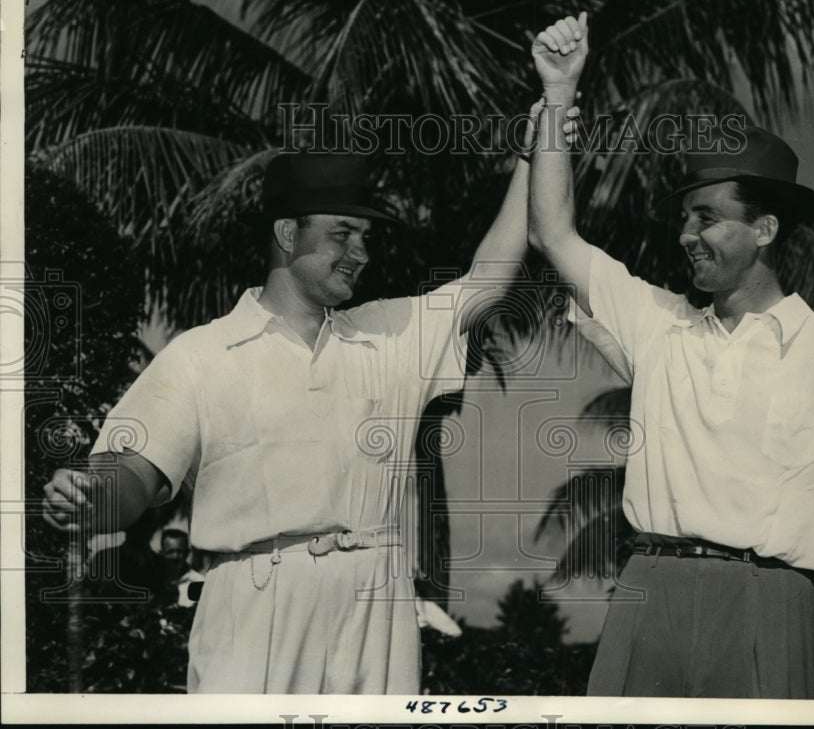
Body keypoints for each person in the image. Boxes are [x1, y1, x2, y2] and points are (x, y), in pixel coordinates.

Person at [41, 101, 571, 694]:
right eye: (342, 233)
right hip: (253, 606)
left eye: (365, 235)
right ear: (287, 234)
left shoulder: (391, 333)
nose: (361, 252)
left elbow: (488, 277)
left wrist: (533, 150)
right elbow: (136, 472)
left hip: (377, 606)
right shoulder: (201, 355)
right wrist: (94, 497)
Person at [527, 12, 814, 698]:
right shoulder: (658, 323)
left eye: (706, 216)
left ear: (764, 228)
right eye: (683, 217)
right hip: (649, 598)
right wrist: (558, 93)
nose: (685, 234)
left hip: (775, 609)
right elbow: (553, 232)